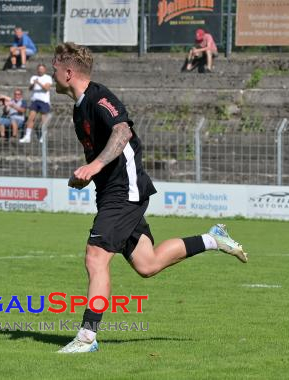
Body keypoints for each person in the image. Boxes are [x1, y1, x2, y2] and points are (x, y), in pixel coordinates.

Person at [51, 42, 248, 354]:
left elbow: (123, 133)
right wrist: (87, 175)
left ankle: (87, 337)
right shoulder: (80, 106)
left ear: (69, 72)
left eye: (55, 68)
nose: (52, 73)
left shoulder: (100, 98)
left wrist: (95, 165)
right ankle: (213, 239)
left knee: (95, 257)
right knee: (148, 264)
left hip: (124, 192)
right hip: (113, 192)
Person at [19, 64, 52, 143]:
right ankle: (27, 136)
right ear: (37, 70)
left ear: (45, 70)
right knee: (31, 118)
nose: (40, 70)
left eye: (42, 69)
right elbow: (30, 88)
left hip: (44, 101)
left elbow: (46, 89)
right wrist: (33, 84)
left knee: (43, 120)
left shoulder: (48, 78)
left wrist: (38, 82)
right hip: (35, 100)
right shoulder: (33, 77)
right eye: (39, 69)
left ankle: (43, 137)